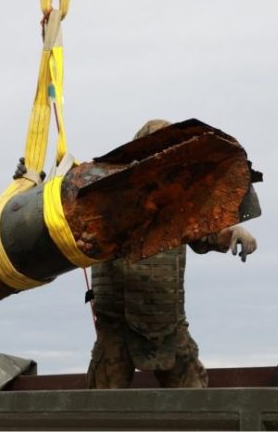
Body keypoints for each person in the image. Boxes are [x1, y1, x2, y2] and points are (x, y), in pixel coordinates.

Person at [87, 119, 258, 389]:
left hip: (167, 324)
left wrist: (233, 231)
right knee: (103, 407)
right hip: (117, 327)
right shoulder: (109, 193)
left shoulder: (180, 201)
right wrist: (31, 185)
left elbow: (206, 233)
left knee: (195, 401)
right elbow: (65, 220)